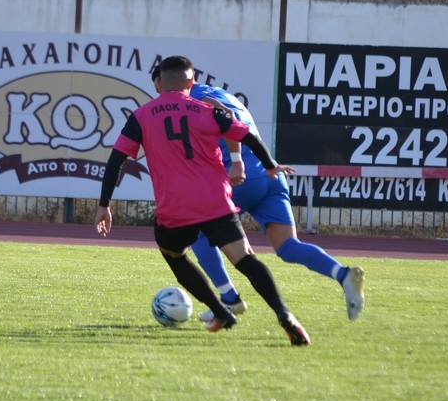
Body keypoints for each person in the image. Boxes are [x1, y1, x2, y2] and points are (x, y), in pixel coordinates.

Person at [95, 55, 311, 345]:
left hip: (175, 209)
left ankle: (221, 311)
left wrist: (104, 204)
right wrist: (269, 165)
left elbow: (116, 160)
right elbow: (247, 135)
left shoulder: (141, 116)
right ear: (191, 82)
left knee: (175, 255)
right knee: (245, 260)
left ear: (159, 83)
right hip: (216, 204)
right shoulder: (208, 110)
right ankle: (284, 314)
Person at [150, 66, 366, 324]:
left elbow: (226, 116)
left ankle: (229, 298)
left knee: (199, 233)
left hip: (241, 177)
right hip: (270, 174)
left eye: (161, 85)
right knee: (288, 246)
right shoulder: (221, 93)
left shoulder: (193, 98)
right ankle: (343, 274)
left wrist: (236, 161)